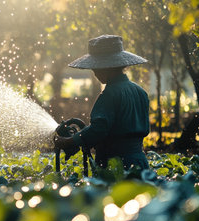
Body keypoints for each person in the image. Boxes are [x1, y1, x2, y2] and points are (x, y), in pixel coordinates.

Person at [54, 34, 150, 171]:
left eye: (95, 68)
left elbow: (99, 130)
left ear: (105, 68)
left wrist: (68, 141)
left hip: (116, 165)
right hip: (140, 162)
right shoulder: (140, 92)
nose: (94, 73)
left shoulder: (109, 94)